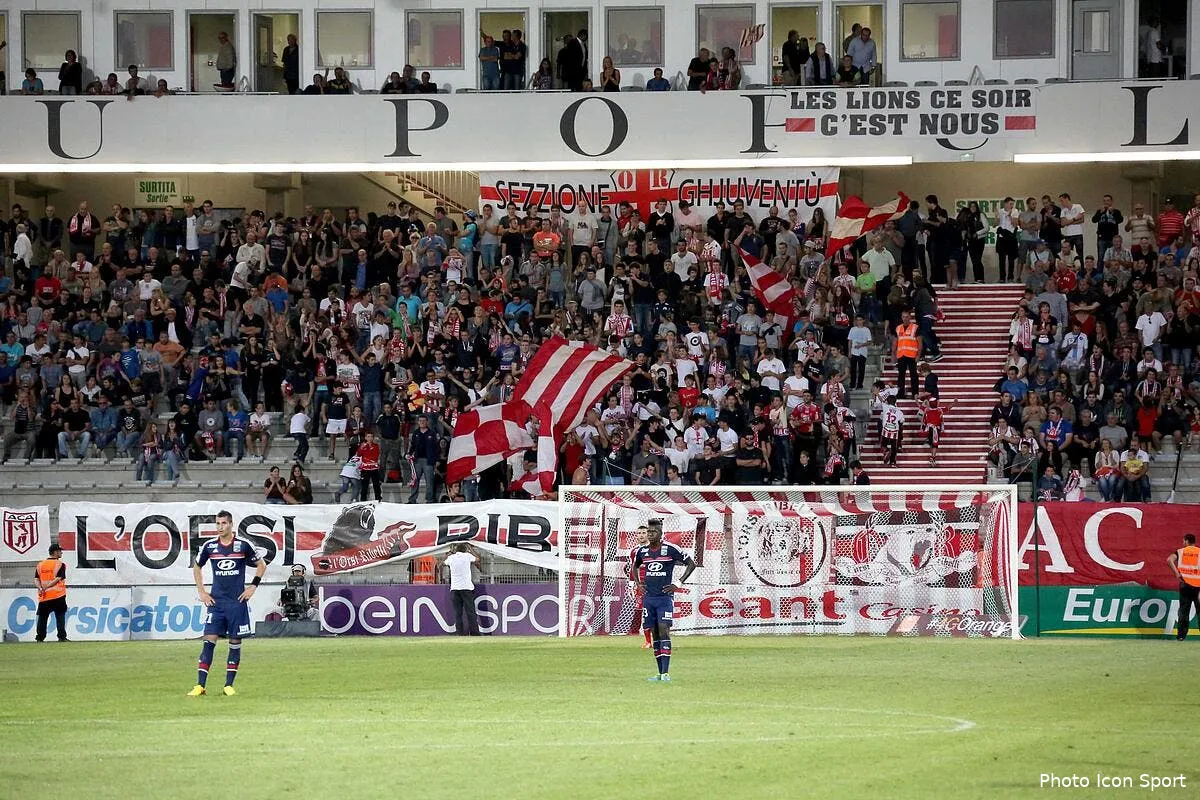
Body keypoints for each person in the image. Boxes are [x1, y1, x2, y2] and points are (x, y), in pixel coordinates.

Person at [189, 510, 266, 697]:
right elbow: (197, 567)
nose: (220, 527)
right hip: (216, 603)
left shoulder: (243, 545)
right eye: (217, 523)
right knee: (209, 641)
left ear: (231, 524)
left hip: (236, 603)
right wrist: (202, 592)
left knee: (235, 642)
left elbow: (262, 565)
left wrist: (252, 587)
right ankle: (200, 686)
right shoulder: (209, 546)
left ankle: (228, 685)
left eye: (223, 523)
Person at [629, 519, 695, 682]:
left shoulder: (671, 549)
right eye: (649, 532)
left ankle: (666, 673)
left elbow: (691, 564)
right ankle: (659, 673)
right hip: (649, 599)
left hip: (664, 598)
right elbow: (634, 566)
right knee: (655, 634)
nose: (651, 534)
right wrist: (638, 583)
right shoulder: (642, 551)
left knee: (664, 630)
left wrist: (678, 583)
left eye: (654, 532)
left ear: (661, 534)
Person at [444, 543, 481, 636]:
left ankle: (459, 632)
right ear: (465, 549)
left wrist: (449, 554)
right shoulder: (467, 556)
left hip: (455, 588)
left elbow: (442, 564)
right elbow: (477, 559)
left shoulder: (451, 558)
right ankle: (474, 632)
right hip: (466, 587)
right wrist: (471, 549)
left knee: (458, 612)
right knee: (470, 612)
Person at [1168, 534, 1200, 640]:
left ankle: (1181, 636)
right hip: (1198, 586)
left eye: (1183, 541)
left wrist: (1177, 574)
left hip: (1185, 585)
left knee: (1184, 611)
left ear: (1186, 541)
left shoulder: (1180, 552)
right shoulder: (1199, 552)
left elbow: (1169, 560)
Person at [34, 544, 69, 643]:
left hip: (44, 596)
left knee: (42, 617)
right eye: (60, 551)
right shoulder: (60, 564)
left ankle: (40, 638)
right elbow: (58, 578)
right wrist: (47, 586)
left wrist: (40, 588)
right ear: (55, 552)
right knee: (60, 616)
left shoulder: (40, 565)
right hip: (58, 595)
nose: (61, 553)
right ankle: (61, 637)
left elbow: (36, 579)